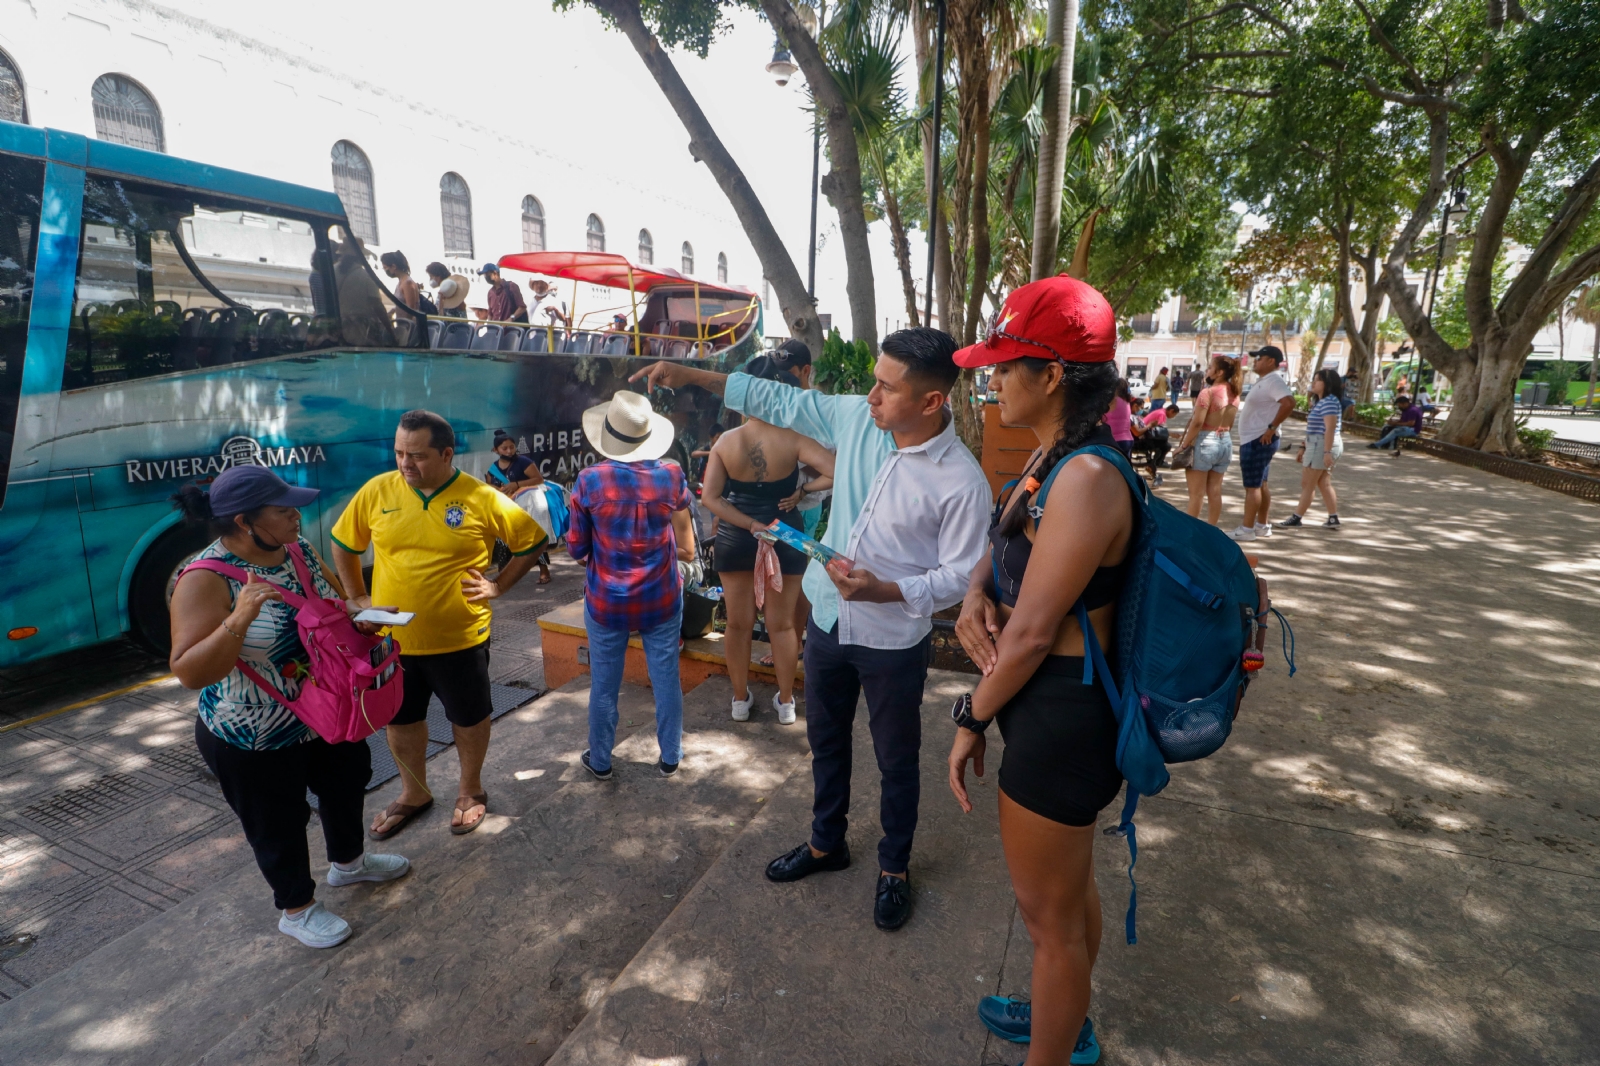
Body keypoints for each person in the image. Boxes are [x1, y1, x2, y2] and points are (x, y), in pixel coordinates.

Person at [630, 328, 991, 932]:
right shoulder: (856, 420)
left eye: (886, 387)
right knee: (825, 741)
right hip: (827, 617)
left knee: (896, 760)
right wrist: (692, 375)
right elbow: (778, 401)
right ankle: (828, 844)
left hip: (892, 637)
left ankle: (894, 868)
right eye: (874, 380)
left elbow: (958, 573)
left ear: (932, 402)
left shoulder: (961, 480)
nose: (869, 396)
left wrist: (889, 590)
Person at [945, 274, 1128, 1066]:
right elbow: (1002, 548)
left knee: (1046, 919)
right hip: (1046, 700)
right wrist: (973, 596)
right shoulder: (1053, 458)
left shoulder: (1087, 478)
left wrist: (969, 718)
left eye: (1003, 365)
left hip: (1062, 713)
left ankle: (1059, 1044)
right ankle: (1068, 1016)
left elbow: (1028, 639)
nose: (991, 379)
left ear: (1052, 375)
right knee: (1067, 891)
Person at [168, 465, 410, 949]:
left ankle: (349, 864)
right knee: (276, 821)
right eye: (283, 511)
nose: (296, 516)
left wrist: (358, 621)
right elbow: (190, 671)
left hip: (325, 712)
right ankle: (296, 908)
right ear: (243, 521)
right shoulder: (202, 579)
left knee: (346, 784)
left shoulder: (297, 550)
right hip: (252, 731)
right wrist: (238, 619)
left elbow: (332, 609)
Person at [332, 410, 549, 839]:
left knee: (469, 717)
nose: (405, 464)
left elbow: (533, 541)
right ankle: (414, 793)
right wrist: (357, 596)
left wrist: (499, 586)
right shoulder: (378, 491)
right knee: (400, 720)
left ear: (447, 453)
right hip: (394, 641)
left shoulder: (479, 497)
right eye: (398, 453)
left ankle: (471, 790)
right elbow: (344, 543)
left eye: (417, 455)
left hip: (460, 638)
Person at [567, 390, 698, 779]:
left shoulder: (589, 481)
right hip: (661, 597)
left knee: (605, 685)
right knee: (666, 678)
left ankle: (602, 761)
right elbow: (684, 517)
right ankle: (670, 757)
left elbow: (576, 547)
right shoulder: (671, 475)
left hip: (607, 601)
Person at [699, 355, 836, 725]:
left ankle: (740, 701)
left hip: (736, 538)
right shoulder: (792, 439)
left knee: (738, 624)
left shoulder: (726, 442)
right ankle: (787, 703)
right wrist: (804, 488)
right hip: (785, 535)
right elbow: (836, 470)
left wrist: (748, 523)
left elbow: (709, 499)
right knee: (783, 625)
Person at [1228, 345, 1295, 542]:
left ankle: (1247, 529)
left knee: (1253, 487)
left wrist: (1271, 428)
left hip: (1258, 439)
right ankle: (1261, 525)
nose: (1255, 361)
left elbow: (1289, 403)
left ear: (1271, 361)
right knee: (1261, 484)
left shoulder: (1273, 381)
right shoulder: (1266, 381)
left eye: (1259, 358)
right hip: (1256, 438)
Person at [1175, 354, 1242, 524]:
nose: (1208, 370)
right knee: (1215, 491)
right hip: (1225, 441)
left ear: (1219, 372)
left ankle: (1190, 534)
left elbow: (1198, 422)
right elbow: (1231, 422)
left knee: (1196, 495)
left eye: (1211, 367)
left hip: (1205, 440)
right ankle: (1212, 530)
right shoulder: (1234, 393)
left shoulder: (1208, 392)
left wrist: (1183, 446)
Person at [1279, 369, 1344, 528]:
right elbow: (1314, 428)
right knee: (1323, 482)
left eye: (1318, 380)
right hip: (1317, 443)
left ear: (1327, 384)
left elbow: (1329, 428)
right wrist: (1303, 445)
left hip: (1322, 444)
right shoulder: (1322, 401)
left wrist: (1327, 452)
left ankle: (1297, 517)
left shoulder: (1328, 402)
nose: (1313, 383)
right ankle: (1333, 517)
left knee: (1308, 483)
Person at [486, 429, 552, 583]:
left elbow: (538, 479)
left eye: (512, 447)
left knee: (532, 539)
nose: (509, 451)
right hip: (505, 509)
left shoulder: (524, 462)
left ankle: (544, 571)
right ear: (495, 450)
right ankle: (503, 576)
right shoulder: (492, 469)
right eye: (504, 448)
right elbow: (489, 486)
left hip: (527, 509)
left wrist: (516, 485)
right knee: (503, 541)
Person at [1128, 396, 1170, 486]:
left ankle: (1153, 463)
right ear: (1135, 406)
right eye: (1140, 408)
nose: (1141, 410)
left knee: (1164, 442)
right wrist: (1149, 425)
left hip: (1143, 439)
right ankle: (1153, 464)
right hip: (1137, 442)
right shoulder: (1130, 417)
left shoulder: (1136, 416)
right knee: (1165, 445)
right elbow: (1137, 433)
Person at [1105, 379, 1135, 459]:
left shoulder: (1112, 401)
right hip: (1128, 439)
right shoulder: (1127, 401)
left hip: (1115, 441)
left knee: (1112, 469)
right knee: (1124, 468)